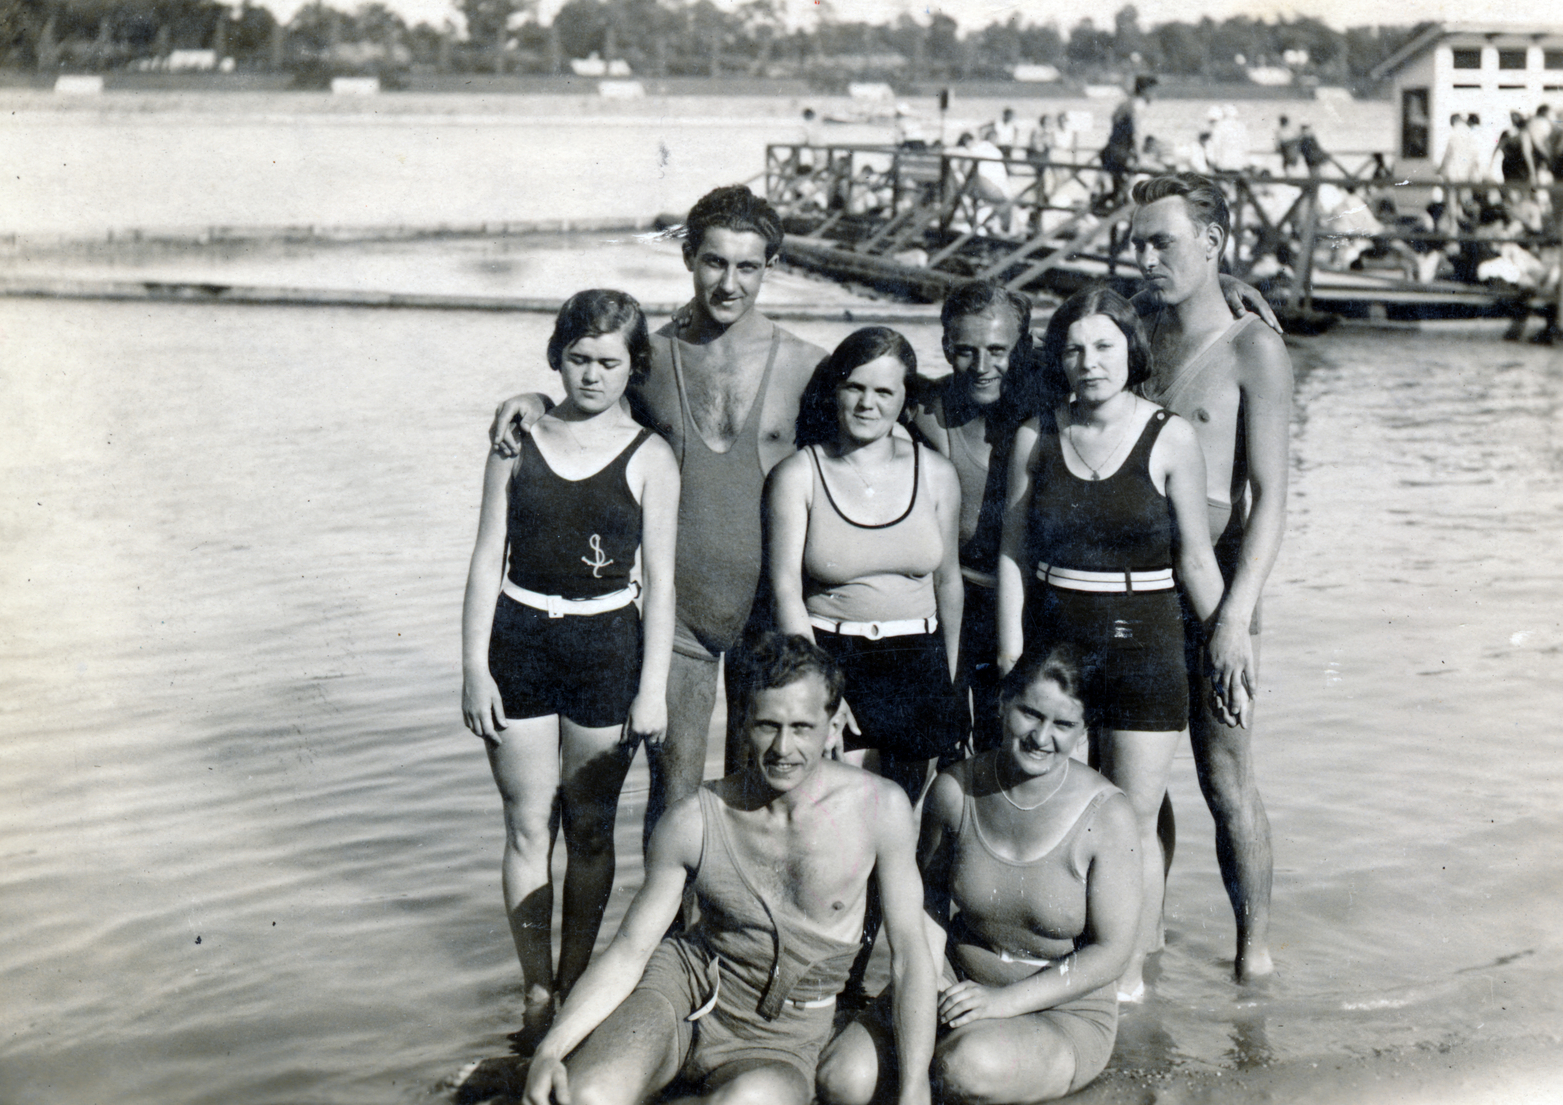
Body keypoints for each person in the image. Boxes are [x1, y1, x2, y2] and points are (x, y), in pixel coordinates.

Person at [490, 187, 826, 846]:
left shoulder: (807, 366)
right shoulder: (651, 362)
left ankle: (737, 945)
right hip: (681, 623)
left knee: (766, 797)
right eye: (713, 262)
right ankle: (670, 945)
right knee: (675, 801)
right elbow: (587, 399)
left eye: (747, 267)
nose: (728, 283)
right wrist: (531, 397)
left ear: (772, 265)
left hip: (768, 612)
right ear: (687, 257)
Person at [521, 633, 936, 1105]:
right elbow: (630, 950)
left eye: (802, 727)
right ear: (742, 724)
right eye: (767, 725)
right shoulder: (693, 820)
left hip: (785, 1035)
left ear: (835, 724)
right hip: (682, 994)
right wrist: (550, 1049)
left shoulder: (880, 809)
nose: (783, 747)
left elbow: (910, 957)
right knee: (588, 1095)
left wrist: (915, 1086)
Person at [997, 285, 1229, 1000]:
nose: (1089, 362)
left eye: (1103, 346)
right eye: (1073, 349)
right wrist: (1011, 649)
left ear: (1132, 350)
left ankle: (1129, 976)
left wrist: (1229, 645)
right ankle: (1056, 958)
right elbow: (1011, 548)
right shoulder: (1038, 435)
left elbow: (1195, 556)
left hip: (1145, 641)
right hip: (1056, 645)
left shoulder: (1172, 437)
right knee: (1058, 807)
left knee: (1131, 815)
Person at [461, 290, 682, 1043]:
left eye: (609, 362)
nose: (591, 374)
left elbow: (664, 581)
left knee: (590, 829)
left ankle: (578, 976)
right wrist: (473, 669)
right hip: (519, 639)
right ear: (557, 356)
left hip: (607, 648)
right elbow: (487, 556)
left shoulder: (652, 456)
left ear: (633, 367)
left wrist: (652, 689)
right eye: (579, 358)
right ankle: (534, 990)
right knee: (527, 826)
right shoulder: (515, 439)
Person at [817, 644, 1142, 1105]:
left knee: (965, 1067)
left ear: (1083, 730)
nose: (1041, 737)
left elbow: (1112, 953)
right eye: (1030, 713)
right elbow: (926, 902)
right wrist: (928, 981)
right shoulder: (955, 790)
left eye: (1063, 724)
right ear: (1003, 701)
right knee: (840, 1080)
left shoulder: (1108, 816)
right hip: (957, 986)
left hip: (1060, 1009)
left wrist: (1001, 1004)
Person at [1128, 172, 1294, 982]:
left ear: (1213, 242)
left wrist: (1234, 619)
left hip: (1221, 581)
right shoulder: (1137, 330)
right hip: (1136, 579)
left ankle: (1252, 959)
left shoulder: (1255, 349)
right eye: (1139, 243)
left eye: (1164, 242)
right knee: (1136, 769)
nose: (1147, 257)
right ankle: (1147, 946)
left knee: (1225, 775)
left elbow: (1269, 501)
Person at [768, 327, 965, 802]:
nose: (866, 403)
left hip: (916, 663)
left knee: (901, 816)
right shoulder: (799, 474)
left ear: (904, 399)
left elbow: (949, 582)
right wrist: (819, 696)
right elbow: (785, 589)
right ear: (836, 388)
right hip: (833, 659)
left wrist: (951, 685)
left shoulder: (936, 472)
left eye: (883, 391)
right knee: (839, 817)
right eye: (854, 387)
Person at [910, 282, 1034, 754]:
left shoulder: (1049, 406)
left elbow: (1119, 323)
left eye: (997, 351)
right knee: (933, 748)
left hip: (1023, 606)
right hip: (944, 601)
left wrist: (1225, 284)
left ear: (1022, 347)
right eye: (965, 351)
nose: (982, 368)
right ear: (944, 347)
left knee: (1004, 753)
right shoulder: (921, 409)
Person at [1098, 76, 1156, 193]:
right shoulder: (1138, 106)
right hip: (1121, 155)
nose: (1154, 95)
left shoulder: (1125, 104)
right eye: (1153, 91)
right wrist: (1139, 157)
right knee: (1162, 171)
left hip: (1110, 152)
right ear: (1145, 90)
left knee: (1120, 191)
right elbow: (1136, 134)